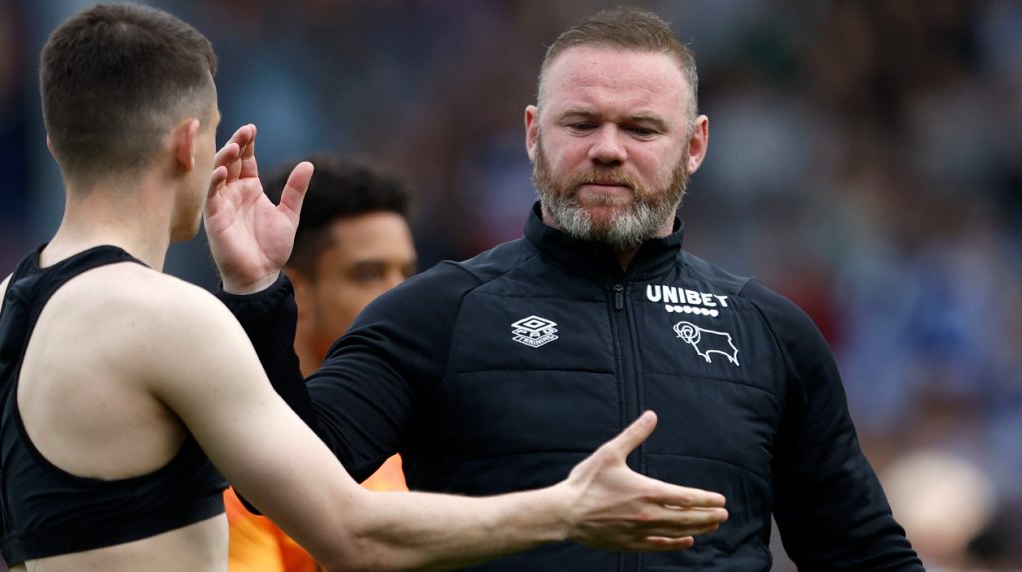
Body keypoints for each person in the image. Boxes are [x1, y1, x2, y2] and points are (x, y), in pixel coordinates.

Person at [0, 5, 734, 571]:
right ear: (188, 143)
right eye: (213, 132)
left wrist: (254, 285)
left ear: (56, 142)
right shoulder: (170, 318)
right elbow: (351, 533)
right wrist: (567, 509)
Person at [212, 6, 926, 571]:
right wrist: (255, 294)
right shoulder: (437, 311)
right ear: (533, 134)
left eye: (641, 128)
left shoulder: (769, 331)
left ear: (696, 145)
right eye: (581, 123)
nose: (608, 149)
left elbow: (860, 552)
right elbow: (282, 481)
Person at [225, 155, 415, 572]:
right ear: (297, 291)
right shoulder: (235, 470)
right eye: (369, 274)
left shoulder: (418, 441)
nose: (401, 296)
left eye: (407, 273)